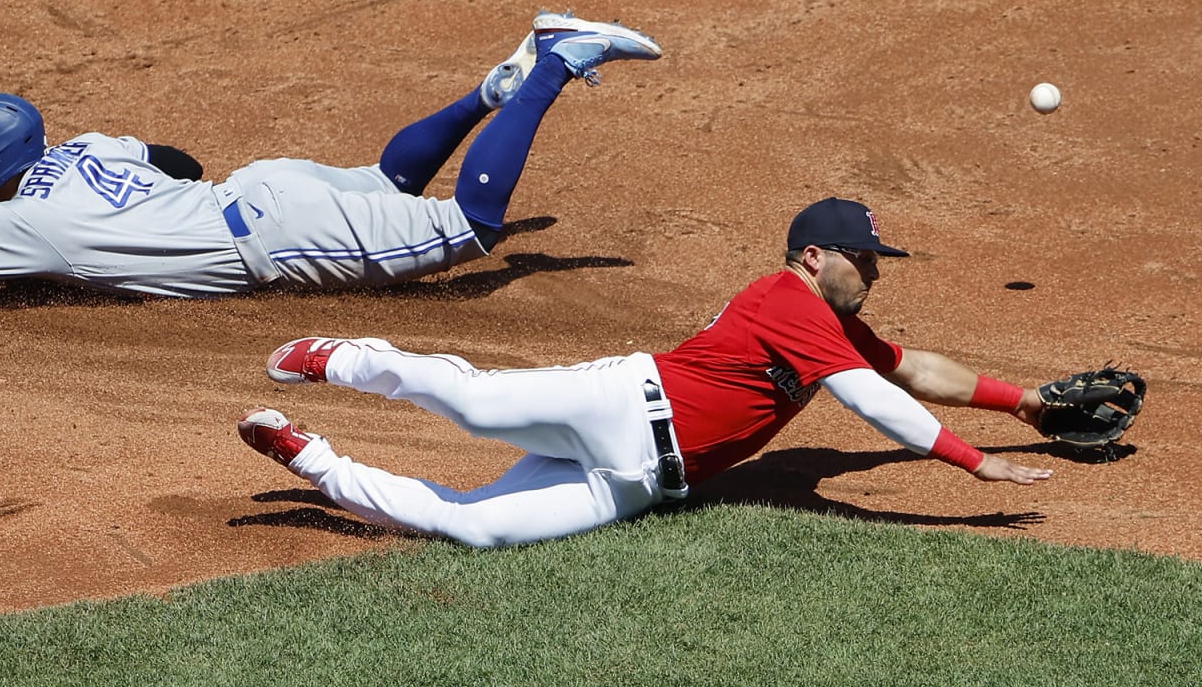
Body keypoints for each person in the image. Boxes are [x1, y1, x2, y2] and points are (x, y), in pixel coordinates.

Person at [237, 197, 1056, 548]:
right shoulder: (786, 300)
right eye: (865, 260)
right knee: (472, 404)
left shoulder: (837, 331)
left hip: (638, 482)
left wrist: (1022, 402)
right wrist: (972, 462)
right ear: (815, 257)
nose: (873, 275)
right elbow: (871, 398)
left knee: (475, 527)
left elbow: (911, 371)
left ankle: (310, 458)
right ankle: (349, 358)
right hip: (620, 403)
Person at [0, 11, 662, 315]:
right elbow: (176, 157)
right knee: (390, 187)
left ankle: (552, 63)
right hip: (256, 187)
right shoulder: (87, 148)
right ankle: (485, 97)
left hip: (277, 230)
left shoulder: (10, 223)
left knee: (470, 228)